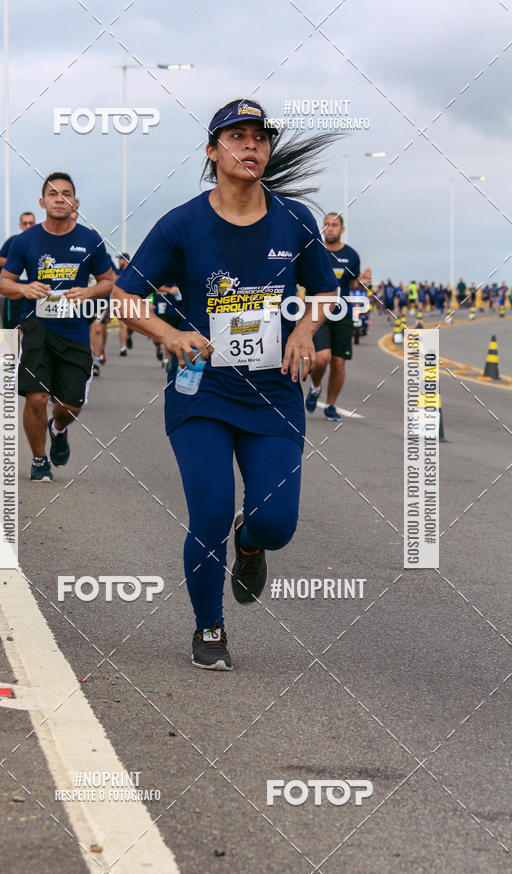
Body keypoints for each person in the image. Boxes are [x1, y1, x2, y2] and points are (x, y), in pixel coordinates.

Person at [112, 99, 338, 670]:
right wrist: (170, 334)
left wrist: (304, 331)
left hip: (274, 392)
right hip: (202, 392)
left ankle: (251, 543)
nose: (251, 145)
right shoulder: (183, 224)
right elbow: (124, 297)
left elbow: (325, 291)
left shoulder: (294, 220)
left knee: (276, 523)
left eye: (260, 137)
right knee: (211, 511)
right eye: (236, 137)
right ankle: (209, 627)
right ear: (212, 151)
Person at [0, 172, 115, 481]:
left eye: (66, 194)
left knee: (70, 406)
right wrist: (24, 288)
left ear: (74, 202)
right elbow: (4, 283)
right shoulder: (25, 241)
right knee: (36, 398)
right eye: (53, 194)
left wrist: (88, 292)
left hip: (75, 331)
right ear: (42, 202)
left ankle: (58, 428)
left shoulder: (90, 240)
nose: (59, 199)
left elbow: (109, 281)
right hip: (37, 328)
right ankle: (39, 460)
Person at [304, 212, 371, 421]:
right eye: (326, 224)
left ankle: (331, 405)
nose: (329, 228)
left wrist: (362, 282)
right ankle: (315, 387)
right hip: (318, 311)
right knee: (322, 358)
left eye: (334, 225)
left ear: (342, 229)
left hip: (343, 313)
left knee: (338, 362)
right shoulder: (314, 250)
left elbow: (353, 284)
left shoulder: (351, 255)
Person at [0, 211, 36, 328]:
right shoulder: (14, 240)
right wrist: (17, 262)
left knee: (34, 327)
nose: (28, 226)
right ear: (20, 225)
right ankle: (10, 341)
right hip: (15, 291)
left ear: (35, 224)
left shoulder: (40, 242)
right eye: (25, 223)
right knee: (11, 327)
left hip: (34, 292)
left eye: (31, 223)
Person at [117, 252, 134, 356]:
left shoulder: (133, 271)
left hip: (132, 301)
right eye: (118, 259)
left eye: (121, 259)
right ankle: (123, 348)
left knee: (132, 326)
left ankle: (128, 335)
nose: (119, 261)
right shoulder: (117, 272)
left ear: (126, 260)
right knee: (123, 325)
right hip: (120, 302)